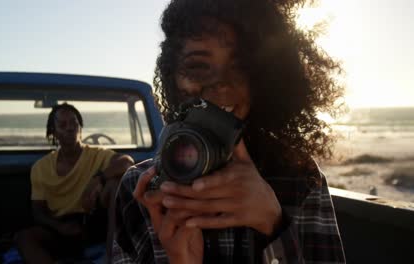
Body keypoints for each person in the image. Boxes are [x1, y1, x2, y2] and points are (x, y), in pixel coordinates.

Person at [112, 0, 346, 263]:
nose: (220, 86)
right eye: (199, 66)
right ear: (172, 76)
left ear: (263, 76)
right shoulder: (141, 189)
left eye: (240, 67)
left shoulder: (298, 178)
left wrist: (273, 223)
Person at [15, 103, 134, 264]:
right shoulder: (40, 168)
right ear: (54, 132)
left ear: (80, 127)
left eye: (74, 123)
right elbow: (38, 212)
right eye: (62, 125)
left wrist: (98, 179)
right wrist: (59, 227)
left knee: (115, 183)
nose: (70, 128)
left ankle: (112, 256)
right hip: (60, 228)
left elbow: (127, 162)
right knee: (24, 238)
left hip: (92, 223)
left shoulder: (96, 155)